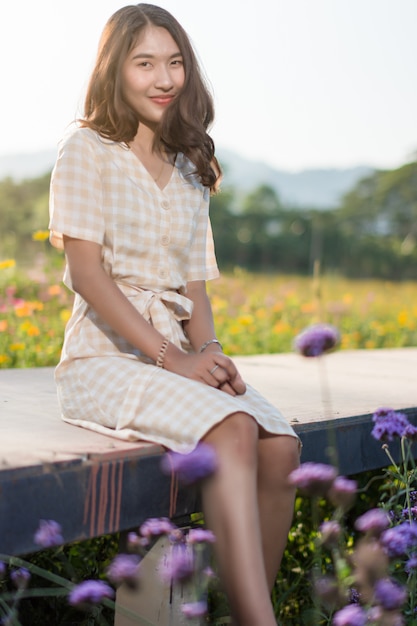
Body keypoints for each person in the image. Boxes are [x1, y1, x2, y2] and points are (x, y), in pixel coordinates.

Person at [49, 4, 300, 624]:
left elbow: (197, 291)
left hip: (178, 356)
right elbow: (88, 275)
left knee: (281, 447)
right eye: (145, 63)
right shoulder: (85, 150)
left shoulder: (192, 166)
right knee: (233, 430)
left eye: (175, 62)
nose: (164, 78)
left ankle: (246, 611)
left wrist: (209, 357)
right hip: (104, 357)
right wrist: (175, 359)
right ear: (115, 71)